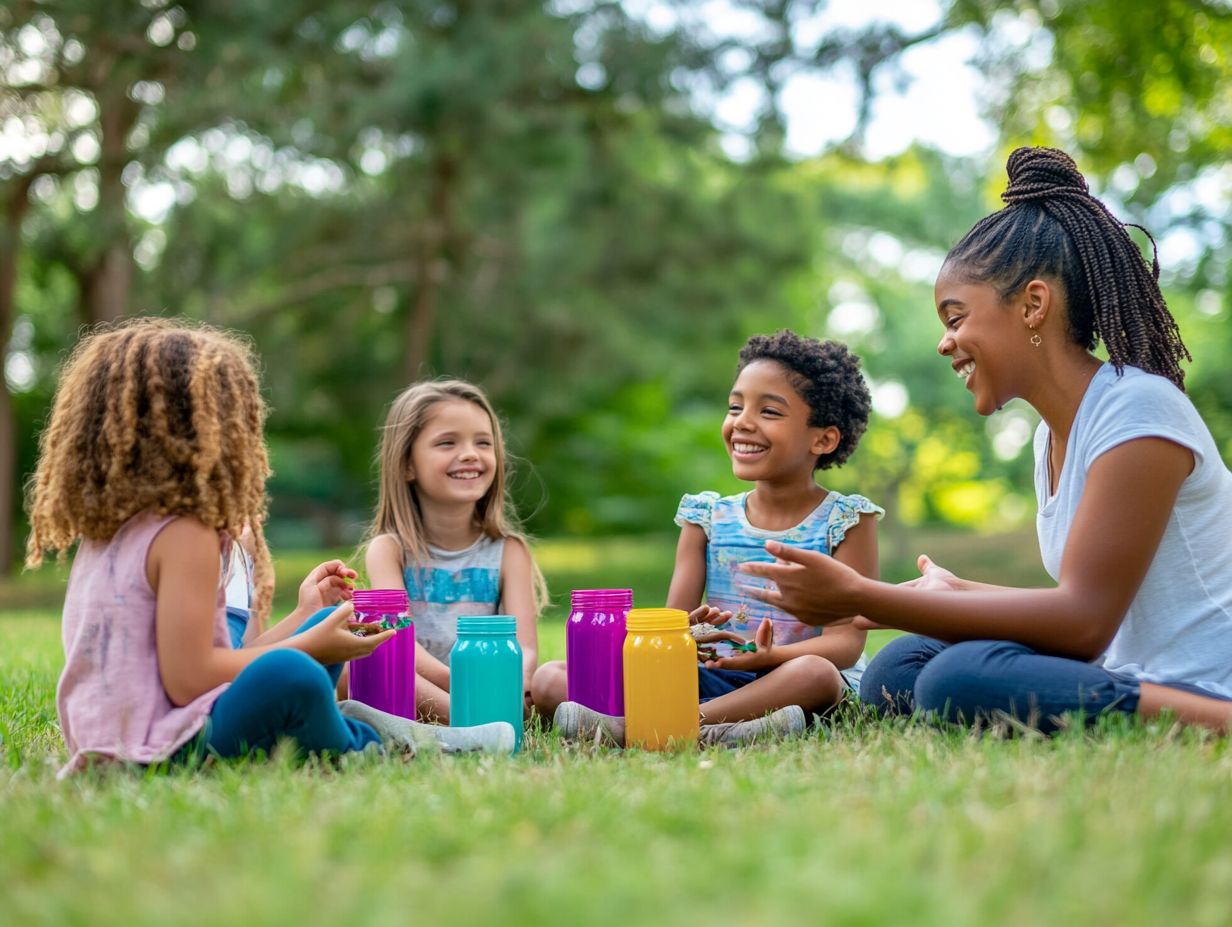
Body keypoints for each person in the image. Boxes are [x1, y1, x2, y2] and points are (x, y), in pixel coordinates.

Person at [739, 147, 1232, 734]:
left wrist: (864, 596)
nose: (945, 344)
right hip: (1125, 667)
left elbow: (1083, 622)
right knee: (900, 666)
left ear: (1033, 305)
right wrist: (952, 591)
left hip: (1203, 679)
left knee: (961, 679)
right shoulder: (1051, 439)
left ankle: (1215, 720)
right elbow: (1083, 600)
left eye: (955, 318)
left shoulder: (1137, 408)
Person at [27, 319, 514, 778]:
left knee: (305, 644)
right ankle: (382, 744)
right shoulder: (185, 535)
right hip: (162, 750)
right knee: (293, 672)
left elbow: (223, 658)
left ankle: (353, 721)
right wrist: (309, 646)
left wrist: (305, 618)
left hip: (135, 739)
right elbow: (191, 678)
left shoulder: (113, 533)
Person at [537, 330, 883, 746]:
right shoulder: (707, 518)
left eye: (769, 412)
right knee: (550, 679)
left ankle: (669, 727)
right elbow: (674, 623)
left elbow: (844, 644)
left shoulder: (845, 520)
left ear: (823, 438)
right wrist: (686, 634)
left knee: (815, 673)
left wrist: (772, 657)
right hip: (714, 678)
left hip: (791, 680)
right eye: (735, 406)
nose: (742, 422)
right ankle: (732, 732)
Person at [360, 379, 546, 724]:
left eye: (483, 443)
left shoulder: (509, 551)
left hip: (491, 684)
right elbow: (399, 642)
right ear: (407, 465)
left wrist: (511, 679)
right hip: (423, 686)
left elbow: (525, 647)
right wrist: (461, 684)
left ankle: (476, 719)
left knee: (547, 681)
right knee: (371, 661)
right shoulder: (389, 550)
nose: (470, 454)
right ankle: (475, 721)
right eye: (447, 443)